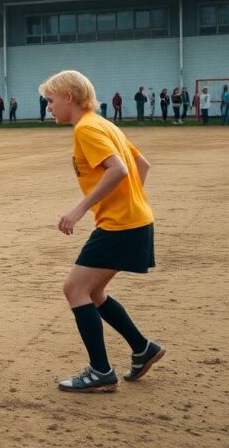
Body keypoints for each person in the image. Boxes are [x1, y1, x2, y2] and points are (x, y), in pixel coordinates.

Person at [39, 70, 164, 393]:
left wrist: (80, 209)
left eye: (50, 101)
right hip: (132, 221)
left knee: (74, 289)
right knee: (93, 292)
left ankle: (100, 371)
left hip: (121, 226)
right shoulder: (104, 123)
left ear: (69, 97)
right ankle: (142, 348)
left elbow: (120, 170)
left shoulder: (86, 129)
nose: (48, 107)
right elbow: (142, 165)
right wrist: (128, 202)